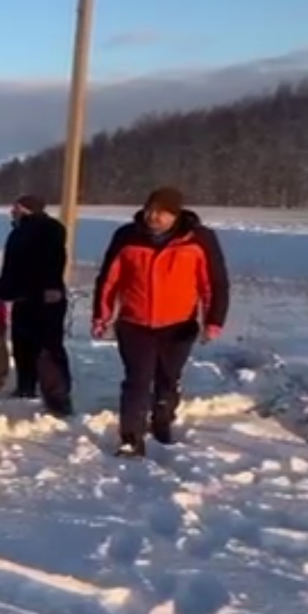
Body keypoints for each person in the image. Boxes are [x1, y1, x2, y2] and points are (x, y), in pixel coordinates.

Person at [91, 185, 230, 457]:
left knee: (168, 378)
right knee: (137, 380)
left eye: (163, 213)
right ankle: (131, 437)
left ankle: (162, 420)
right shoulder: (127, 237)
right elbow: (109, 280)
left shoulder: (198, 240)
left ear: (176, 215)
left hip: (179, 325)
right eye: (150, 210)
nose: (154, 217)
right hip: (134, 324)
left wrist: (213, 320)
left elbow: (214, 283)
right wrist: (101, 315)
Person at [0, 194, 73, 417]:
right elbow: (11, 268)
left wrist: (52, 287)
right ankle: (25, 387)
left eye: (16, 207)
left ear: (27, 209)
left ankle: (59, 398)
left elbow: (55, 259)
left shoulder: (50, 228)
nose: (12, 211)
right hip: (22, 298)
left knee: (48, 349)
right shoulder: (17, 232)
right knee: (22, 345)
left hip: (46, 298)